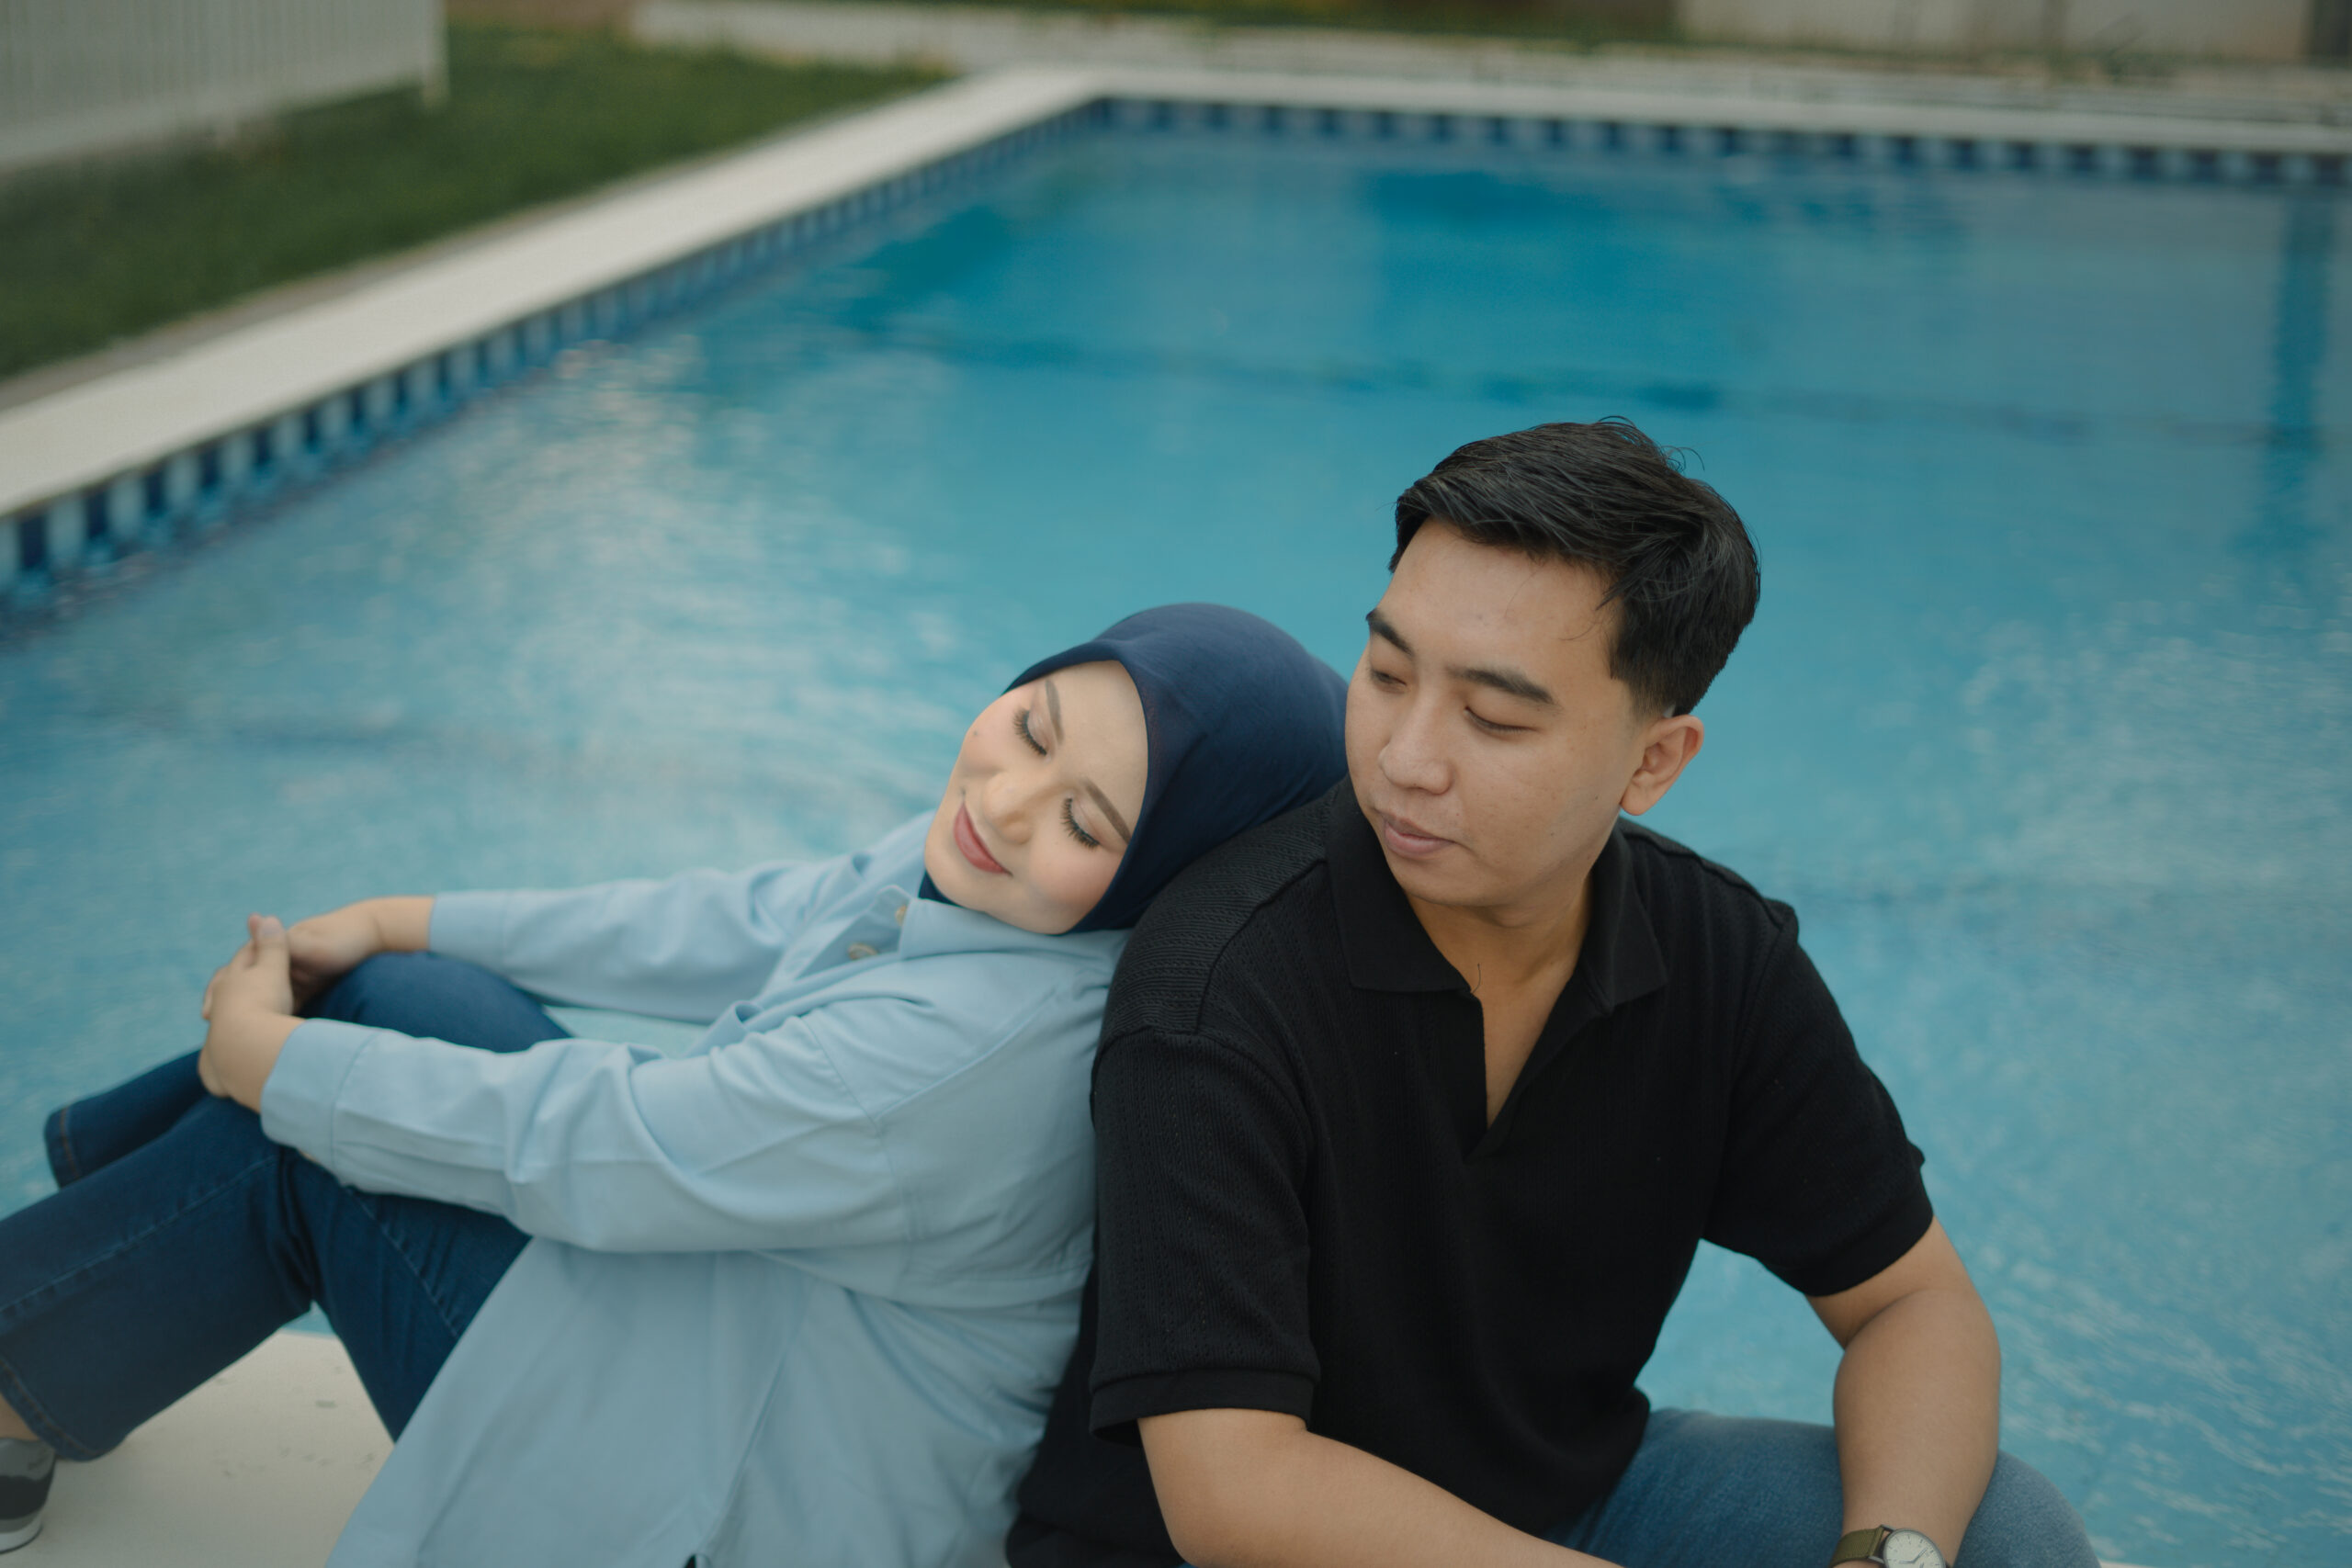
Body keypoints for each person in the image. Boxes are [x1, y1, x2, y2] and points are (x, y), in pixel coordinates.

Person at [0, 604, 1349, 1566]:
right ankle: (89, 1287)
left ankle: (19, 1379)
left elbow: (610, 1144)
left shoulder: (981, 1059)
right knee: (399, 998)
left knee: (303, 1136)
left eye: (1084, 820)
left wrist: (268, 1063)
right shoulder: (995, 878)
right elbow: (737, 918)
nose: (1007, 801)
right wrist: (403, 918)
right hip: (715, 1349)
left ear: (1164, 868)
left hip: (727, 1508)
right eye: (1032, 725)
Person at [1008, 423, 2102, 1568]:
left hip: (1557, 1509)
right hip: (1233, 1548)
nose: (1404, 759)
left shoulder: (1716, 956)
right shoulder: (1217, 985)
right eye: (1386, 675)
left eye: (1493, 718)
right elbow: (1233, 1494)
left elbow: (1912, 1305)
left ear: (1653, 762)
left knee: (2005, 1532)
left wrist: (1886, 1557)